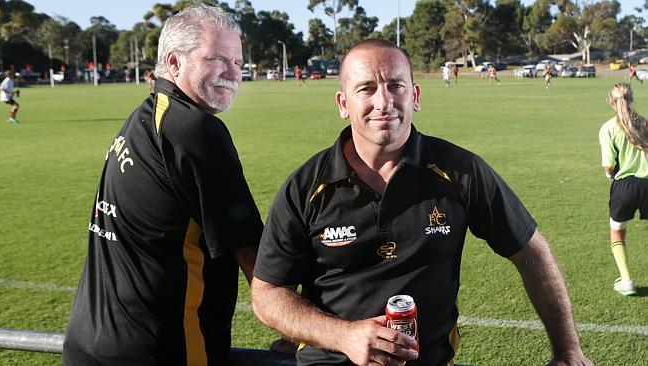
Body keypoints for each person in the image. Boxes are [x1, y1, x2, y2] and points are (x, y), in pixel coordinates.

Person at [251, 39, 592, 366]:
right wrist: (345, 336)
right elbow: (267, 294)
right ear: (343, 104)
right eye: (366, 88)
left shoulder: (461, 172)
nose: (384, 102)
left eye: (396, 85)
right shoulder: (306, 185)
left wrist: (569, 351)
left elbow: (531, 252)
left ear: (414, 96)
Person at [62, 5, 263, 365]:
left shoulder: (143, 119)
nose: (233, 74)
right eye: (217, 59)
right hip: (161, 349)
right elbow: (252, 254)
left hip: (88, 344)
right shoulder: (194, 131)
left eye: (238, 61)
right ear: (174, 61)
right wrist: (302, 335)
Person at [598, 83, 648, 296]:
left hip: (624, 186)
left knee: (617, 231)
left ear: (611, 102)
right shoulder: (645, 123)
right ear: (632, 98)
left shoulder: (608, 128)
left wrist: (610, 175)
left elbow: (608, 165)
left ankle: (626, 281)